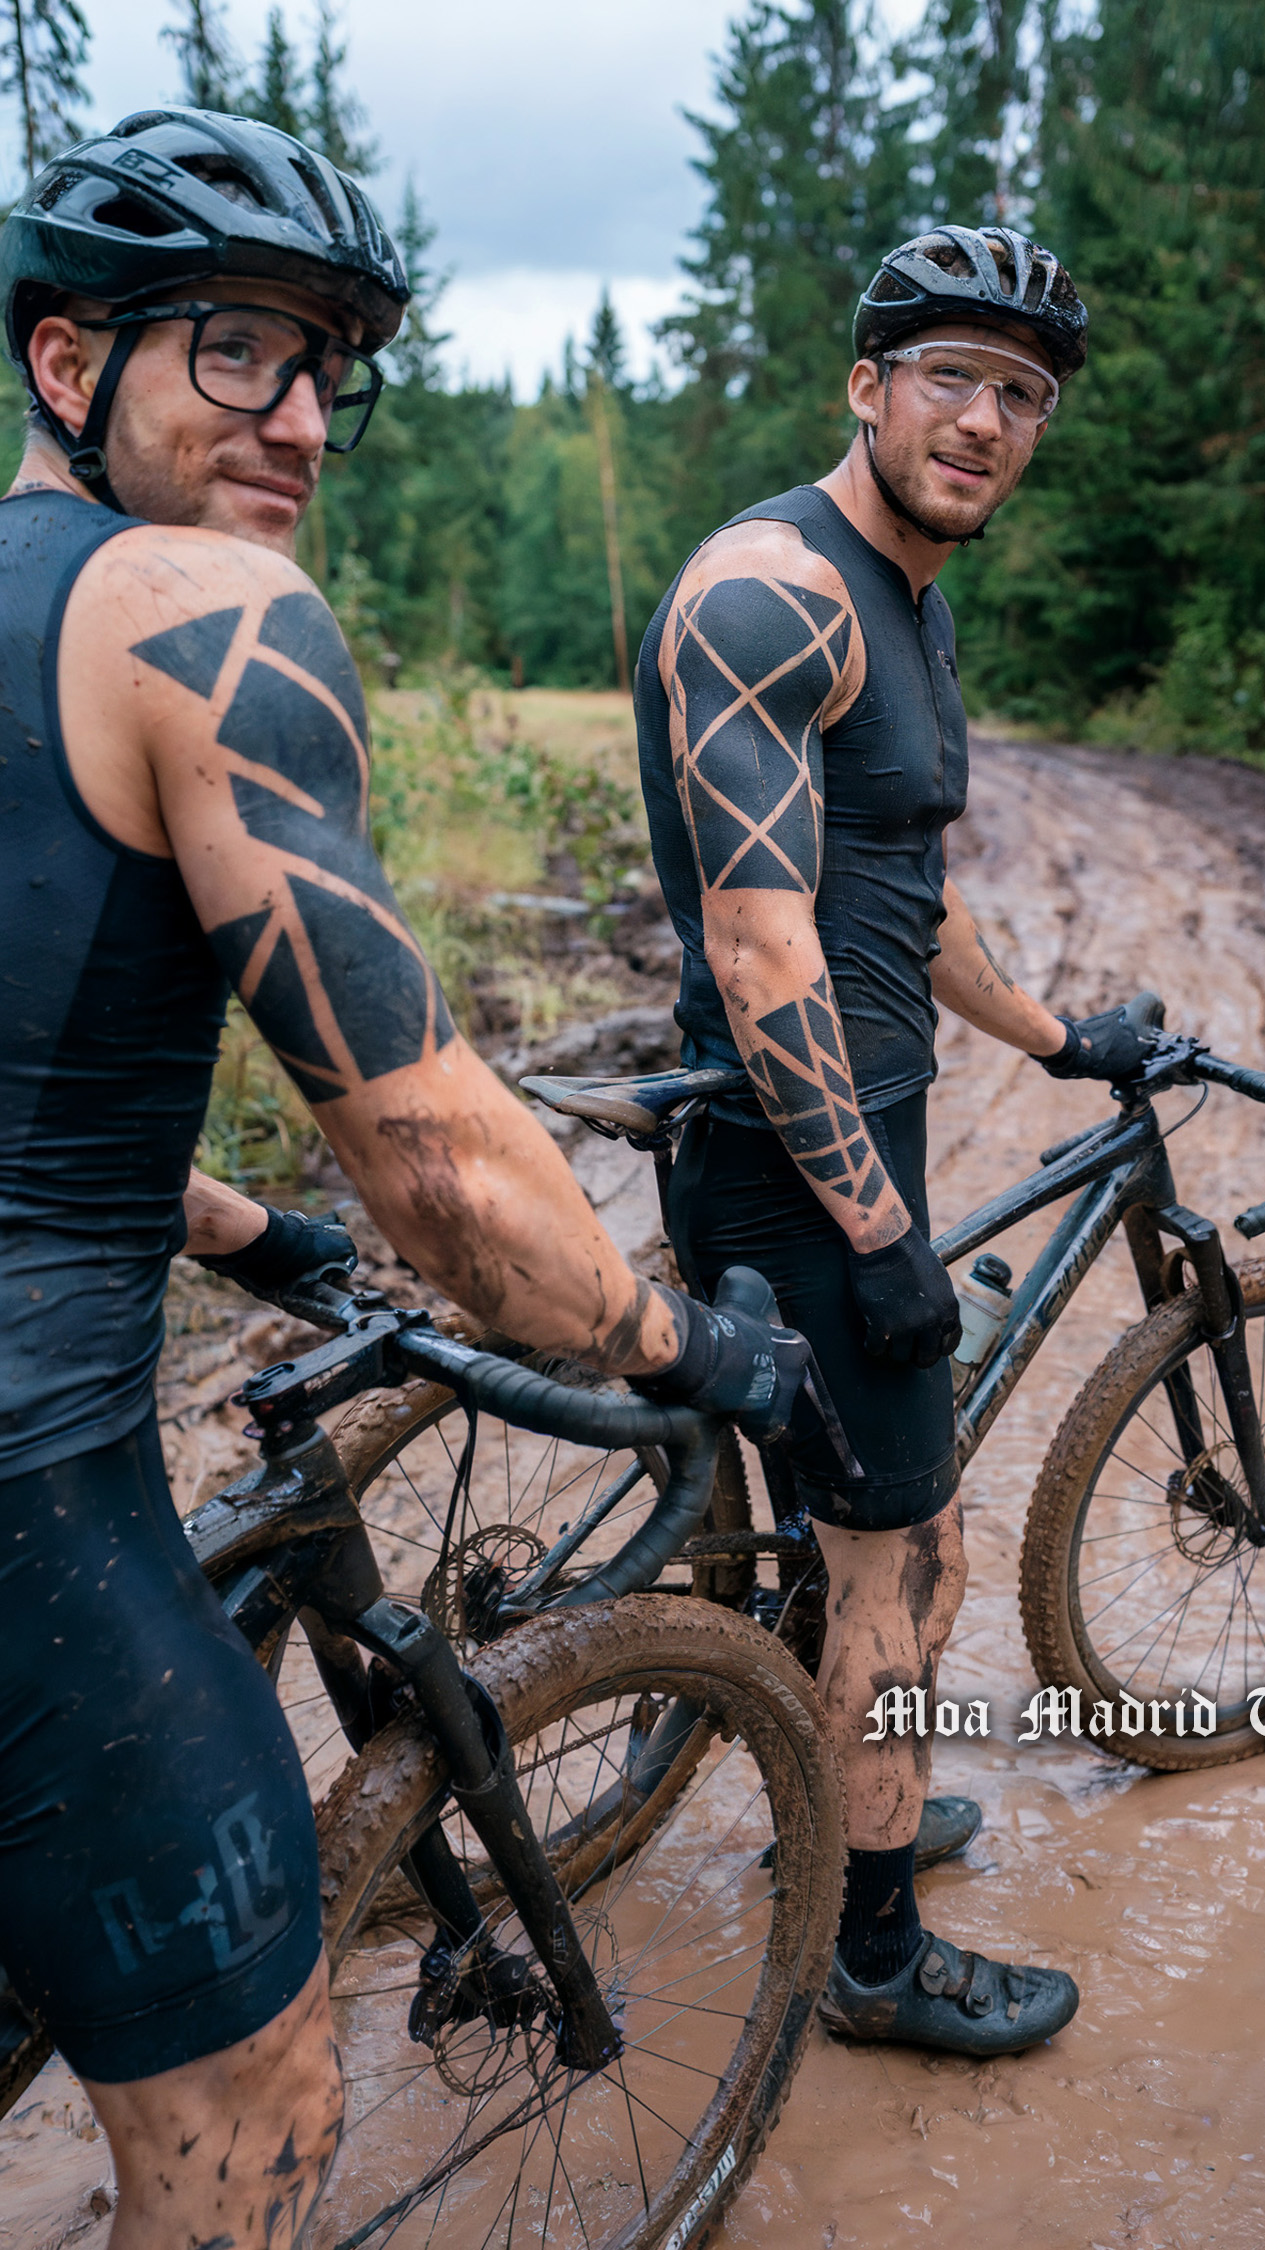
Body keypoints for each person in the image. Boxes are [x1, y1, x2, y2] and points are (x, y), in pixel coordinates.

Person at [0, 109, 804, 2249]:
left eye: (333, 365)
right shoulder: (200, 613)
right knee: (247, 2096)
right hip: (22, 1503)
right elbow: (443, 1159)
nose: (306, 420)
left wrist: (250, 1230)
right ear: (70, 364)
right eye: (243, 350)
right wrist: (677, 1335)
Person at [638, 223, 1159, 2053]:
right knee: (897, 1549)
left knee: (851, 1532)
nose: (990, 418)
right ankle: (870, 1955)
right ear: (867, 388)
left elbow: (895, 883)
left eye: (1022, 393)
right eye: (953, 374)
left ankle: (846, 1779)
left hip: (852, 1138)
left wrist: (1045, 1030)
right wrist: (875, 1230)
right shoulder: (770, 589)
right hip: (798, 1155)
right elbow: (762, 940)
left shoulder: (911, 594)